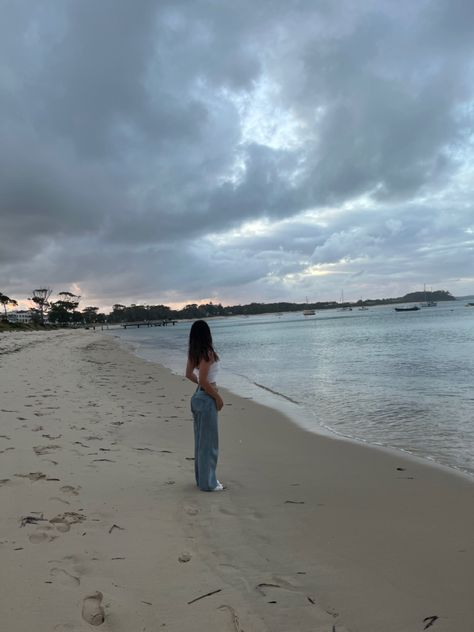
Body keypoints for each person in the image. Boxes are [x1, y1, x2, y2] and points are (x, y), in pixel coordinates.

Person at [185, 320, 224, 491]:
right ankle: (208, 483)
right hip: (206, 398)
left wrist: (201, 386)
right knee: (209, 442)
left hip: (198, 397)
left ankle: (202, 479)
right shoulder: (208, 353)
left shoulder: (194, 353)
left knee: (201, 441)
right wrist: (217, 397)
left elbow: (189, 374)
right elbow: (203, 380)